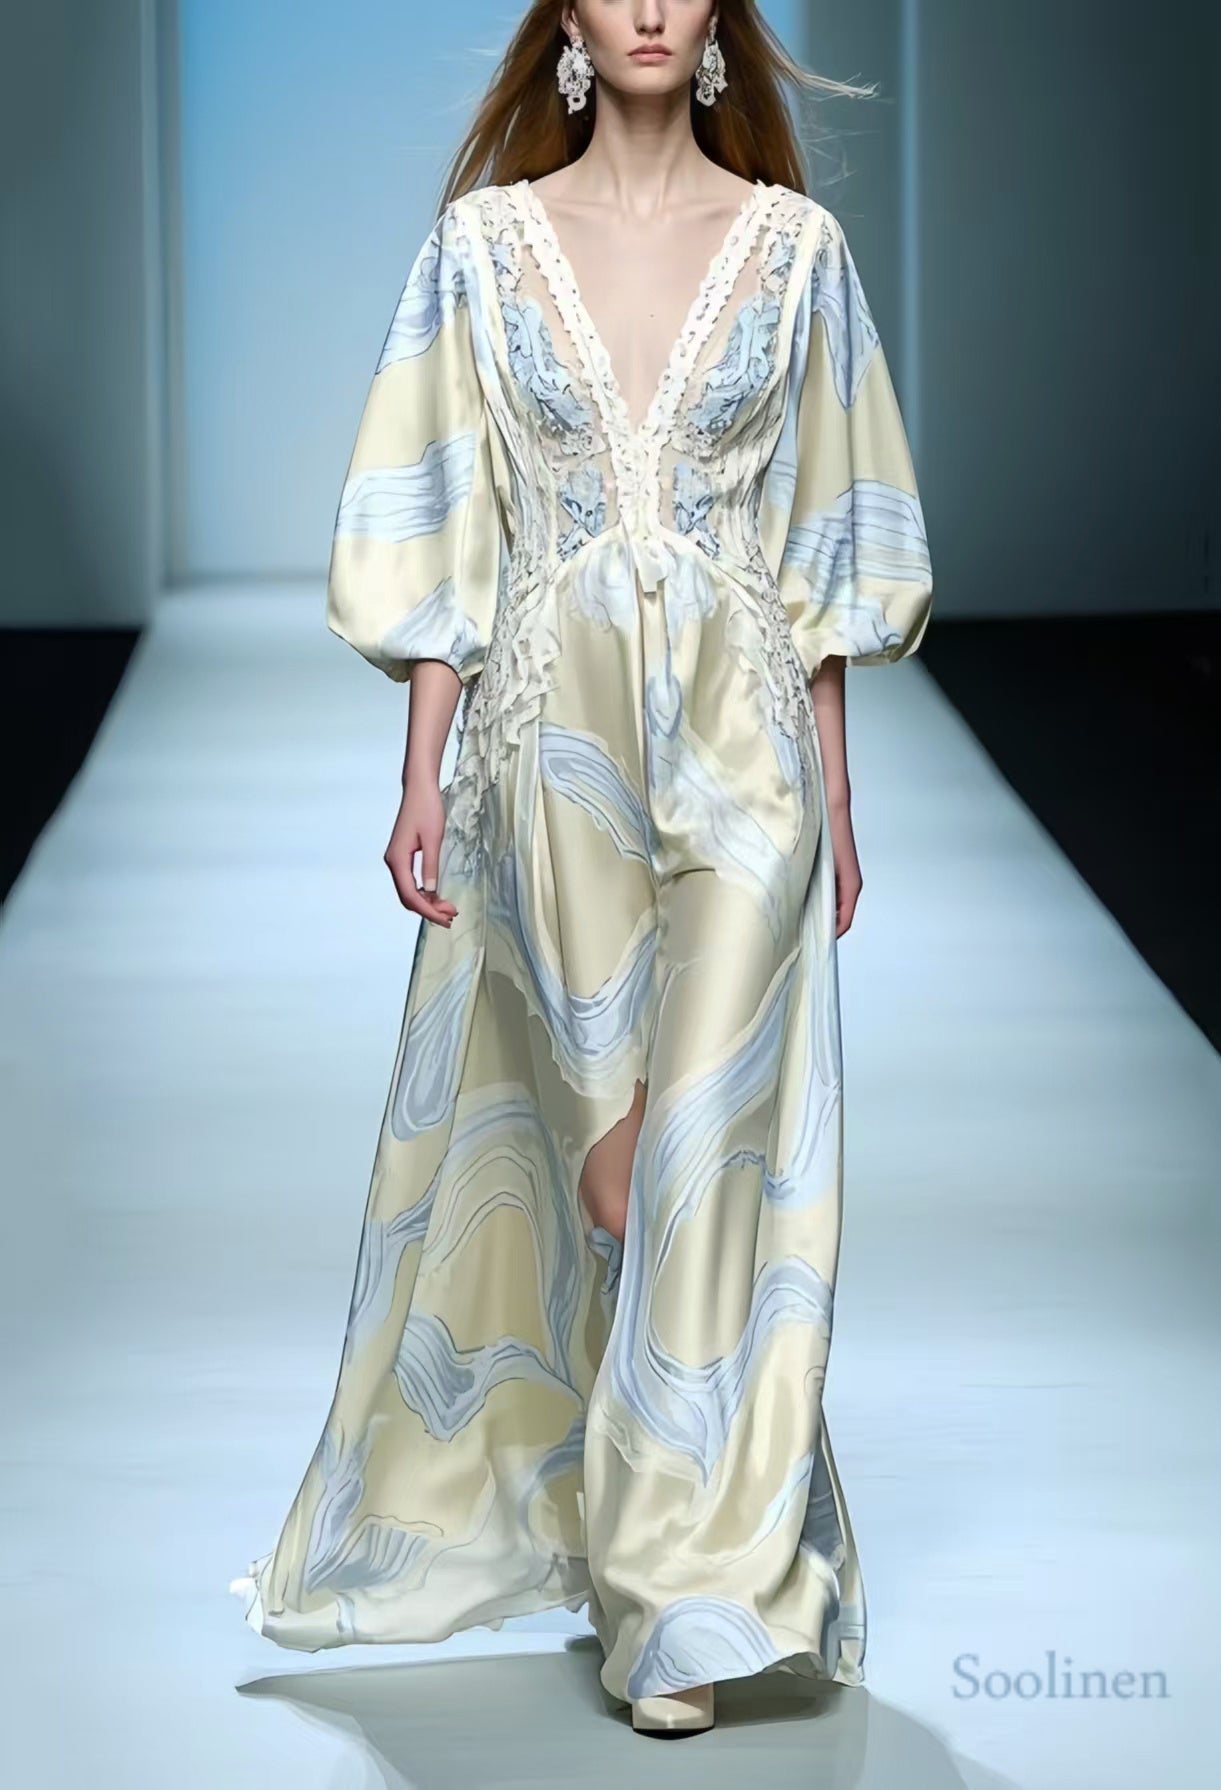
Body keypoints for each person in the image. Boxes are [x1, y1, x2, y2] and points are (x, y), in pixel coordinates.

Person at [231, 0, 933, 1740]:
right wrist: (422, 768)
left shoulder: (796, 250)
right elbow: (442, 506)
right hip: (547, 757)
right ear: (567, 15)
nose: (648, 8)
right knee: (620, 1182)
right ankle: (725, 1522)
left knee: (714, 1157)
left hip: (749, 750)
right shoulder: (481, 249)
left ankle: (677, 1599)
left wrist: (838, 791)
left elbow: (829, 530)